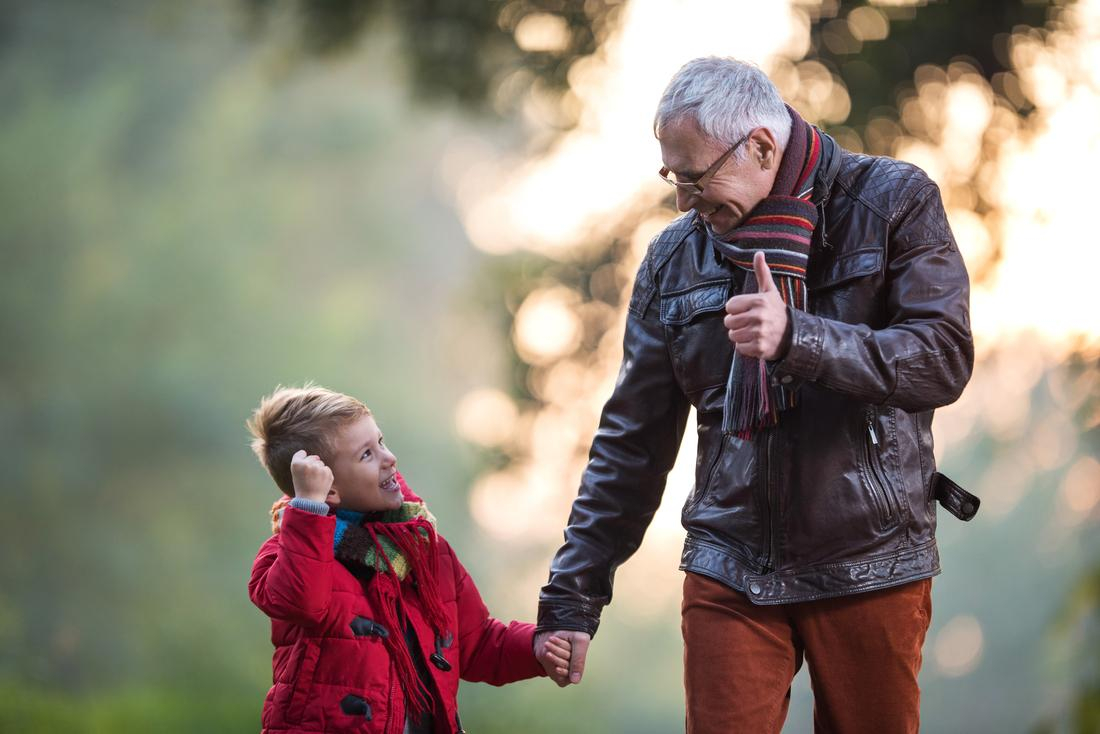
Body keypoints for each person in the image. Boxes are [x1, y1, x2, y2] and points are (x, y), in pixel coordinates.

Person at [534, 56, 979, 733]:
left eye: (694, 178)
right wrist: (572, 597)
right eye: (672, 178)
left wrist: (799, 338)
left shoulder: (893, 202)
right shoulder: (672, 260)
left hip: (872, 561)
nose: (683, 202)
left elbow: (941, 359)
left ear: (762, 148)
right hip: (730, 565)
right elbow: (631, 443)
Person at [247, 384, 572, 734]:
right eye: (366, 455)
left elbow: (476, 642)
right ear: (329, 487)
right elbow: (300, 601)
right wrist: (309, 510)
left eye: (381, 442)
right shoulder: (290, 552)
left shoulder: (423, 550)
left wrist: (536, 647)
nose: (389, 458)